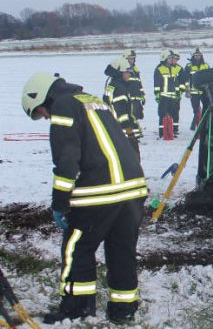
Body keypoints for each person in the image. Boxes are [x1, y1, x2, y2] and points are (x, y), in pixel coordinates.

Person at [21, 72, 147, 324]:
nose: (46, 117)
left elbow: (67, 161)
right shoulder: (90, 100)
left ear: (43, 96)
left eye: (42, 111)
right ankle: (123, 310)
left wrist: (60, 203)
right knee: (122, 250)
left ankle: (77, 308)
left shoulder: (63, 107)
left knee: (77, 248)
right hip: (132, 189)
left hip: (98, 194)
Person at [103, 58, 143, 160]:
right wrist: (128, 129)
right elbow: (120, 110)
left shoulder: (113, 86)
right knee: (132, 157)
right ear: (119, 73)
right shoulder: (119, 88)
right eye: (127, 72)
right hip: (124, 130)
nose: (129, 75)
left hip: (116, 128)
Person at [154, 49, 183, 138]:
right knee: (162, 114)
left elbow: (177, 82)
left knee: (173, 114)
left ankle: (172, 132)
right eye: (169, 58)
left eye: (171, 58)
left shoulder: (174, 69)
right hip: (164, 96)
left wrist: (178, 93)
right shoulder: (159, 69)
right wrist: (157, 94)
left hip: (173, 97)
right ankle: (162, 133)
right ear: (164, 58)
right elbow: (157, 84)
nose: (171, 60)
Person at [180, 48, 210, 130]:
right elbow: (185, 79)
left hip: (204, 92)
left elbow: (209, 78)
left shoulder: (206, 65)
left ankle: (201, 125)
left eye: (199, 55)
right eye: (196, 55)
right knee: (196, 110)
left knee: (206, 109)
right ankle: (195, 126)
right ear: (193, 56)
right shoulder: (189, 66)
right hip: (193, 92)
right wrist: (187, 90)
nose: (198, 57)